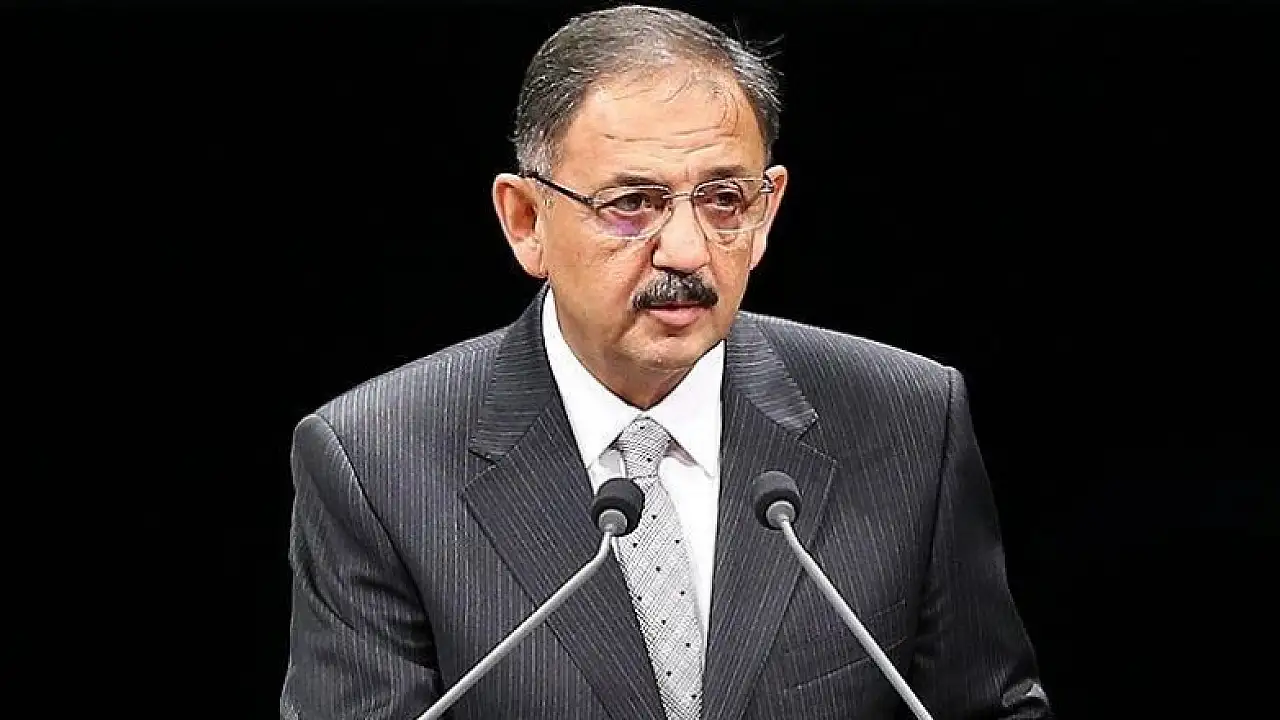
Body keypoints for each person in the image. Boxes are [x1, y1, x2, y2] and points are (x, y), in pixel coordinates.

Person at [280, 5, 1052, 719]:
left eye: (724, 200)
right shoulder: (377, 463)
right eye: (632, 204)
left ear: (767, 210)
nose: (685, 250)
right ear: (525, 220)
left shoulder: (908, 420)